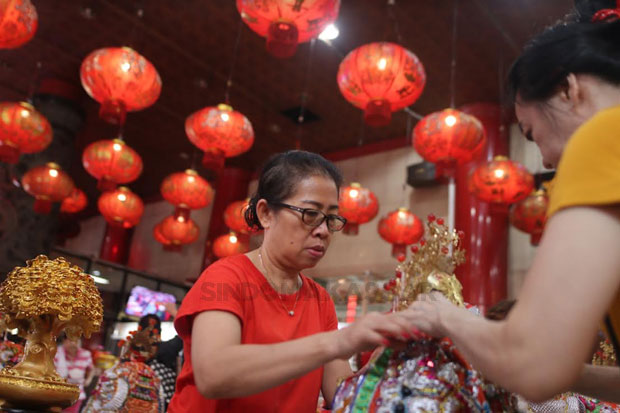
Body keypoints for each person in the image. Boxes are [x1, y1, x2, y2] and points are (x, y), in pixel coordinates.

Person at [403, 0, 620, 403]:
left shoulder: (605, 134)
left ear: (569, 90)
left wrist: (444, 316)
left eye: (531, 133)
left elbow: (532, 364)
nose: (545, 160)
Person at [168, 151, 414, 412]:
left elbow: (342, 396)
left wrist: (384, 362)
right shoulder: (226, 277)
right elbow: (214, 375)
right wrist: (340, 341)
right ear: (265, 214)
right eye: (310, 214)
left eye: (331, 219)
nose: (322, 231)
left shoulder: (319, 300)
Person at [54, 336, 95, 413]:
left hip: (78, 393)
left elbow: (92, 369)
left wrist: (89, 380)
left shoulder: (86, 354)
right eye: (70, 341)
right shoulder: (57, 354)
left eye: (76, 342)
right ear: (64, 342)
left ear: (80, 342)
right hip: (59, 394)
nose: (73, 344)